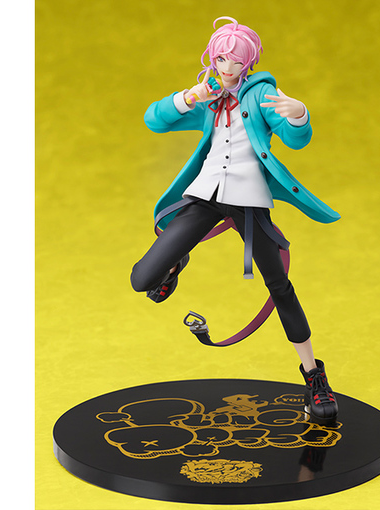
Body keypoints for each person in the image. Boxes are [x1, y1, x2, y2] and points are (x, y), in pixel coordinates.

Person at [131, 16, 340, 425]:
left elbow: (296, 138)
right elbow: (154, 120)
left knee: (279, 286)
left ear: (249, 62)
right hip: (205, 196)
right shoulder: (209, 95)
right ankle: (174, 264)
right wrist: (188, 98)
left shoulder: (261, 94)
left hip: (249, 201)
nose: (228, 68)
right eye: (221, 60)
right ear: (212, 59)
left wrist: (299, 115)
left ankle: (314, 376)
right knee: (143, 280)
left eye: (236, 62)